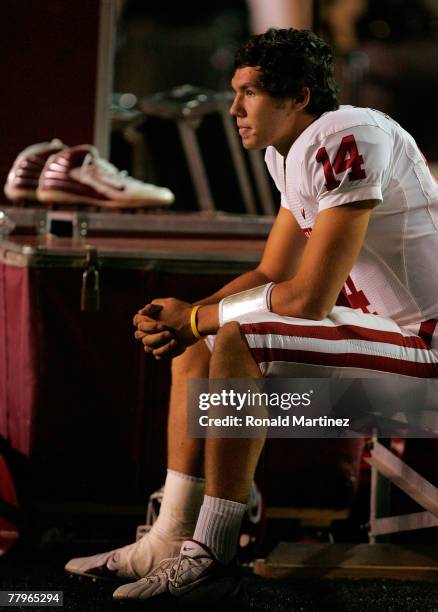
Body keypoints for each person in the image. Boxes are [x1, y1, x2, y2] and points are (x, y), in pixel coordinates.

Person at [65, 28, 438, 604]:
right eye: (234, 92)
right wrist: (187, 322)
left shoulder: (347, 133)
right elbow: (271, 273)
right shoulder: (285, 153)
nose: (235, 108)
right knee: (204, 340)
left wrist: (201, 318)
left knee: (238, 337)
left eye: (251, 93)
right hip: (389, 352)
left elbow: (310, 297)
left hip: (426, 362)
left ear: (300, 96)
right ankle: (170, 536)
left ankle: (215, 550)